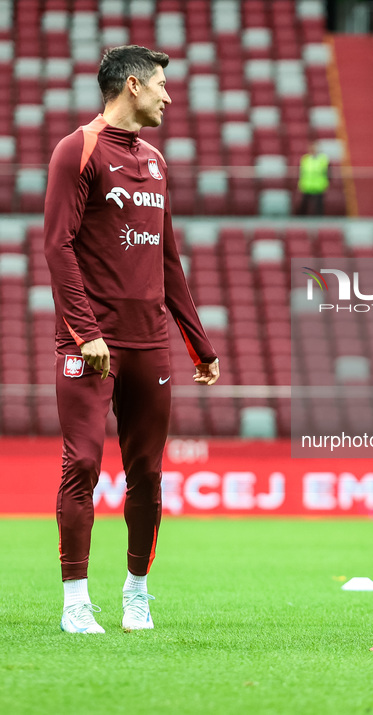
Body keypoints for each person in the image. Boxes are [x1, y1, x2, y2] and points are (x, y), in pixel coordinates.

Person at [44, 45, 220, 634]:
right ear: (134, 85)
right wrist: (85, 332)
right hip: (91, 346)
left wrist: (200, 345)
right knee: (84, 464)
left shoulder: (155, 160)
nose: (169, 96)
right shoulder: (78, 150)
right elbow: (57, 246)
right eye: (163, 85)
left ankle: (136, 592)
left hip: (150, 345)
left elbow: (169, 259)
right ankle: (75, 600)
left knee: (146, 473)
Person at [297, 141, 330, 216]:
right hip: (307, 185)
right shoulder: (305, 159)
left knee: (319, 205)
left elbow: (327, 172)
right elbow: (301, 172)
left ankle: (319, 222)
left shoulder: (323, 159)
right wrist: (300, 183)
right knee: (304, 204)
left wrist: (326, 183)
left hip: (319, 185)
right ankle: (301, 220)